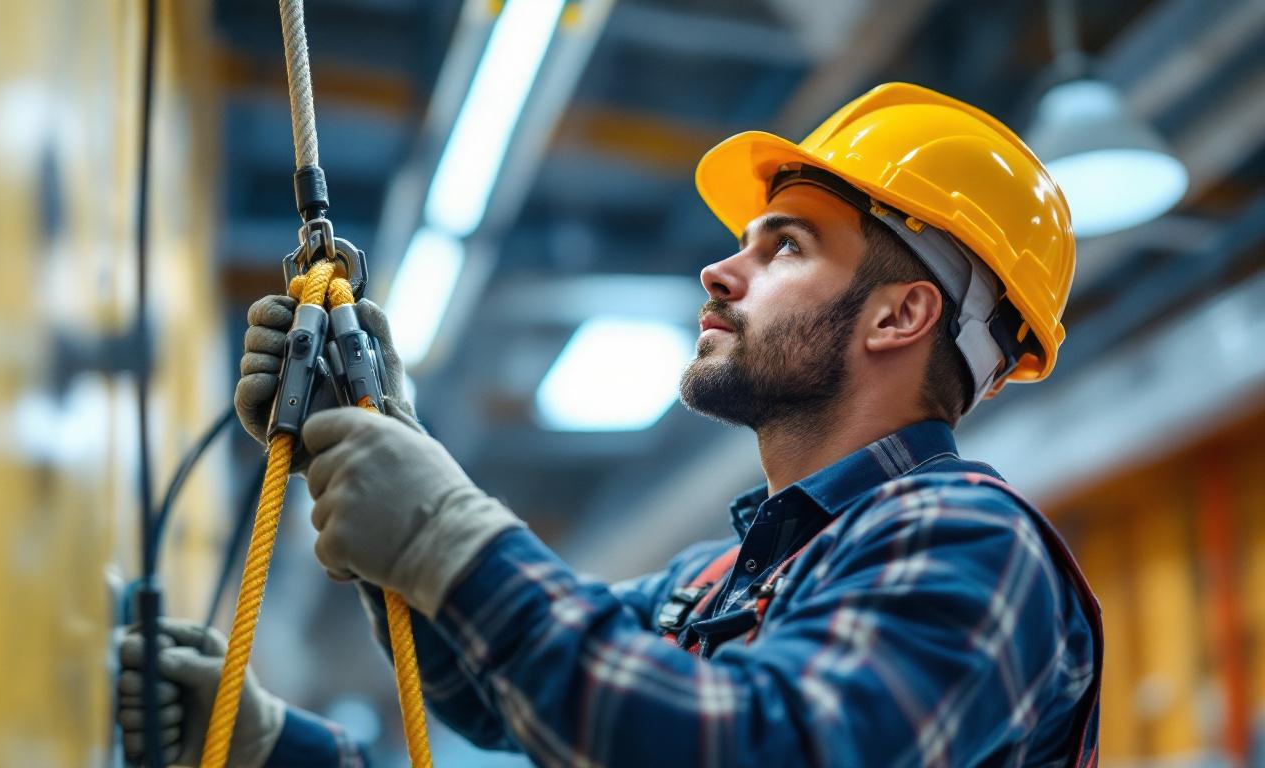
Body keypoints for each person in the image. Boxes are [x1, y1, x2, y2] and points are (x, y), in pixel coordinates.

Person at [120, 82, 1101, 767]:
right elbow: (511, 698)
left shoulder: (972, 546)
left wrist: (445, 534)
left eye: (786, 247)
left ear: (899, 316)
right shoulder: (721, 581)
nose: (720, 272)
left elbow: (758, 753)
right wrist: (270, 749)